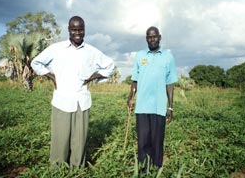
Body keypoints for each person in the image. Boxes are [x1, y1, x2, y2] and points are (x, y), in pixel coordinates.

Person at [31, 16, 115, 167]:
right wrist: (50, 75)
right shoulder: (56, 49)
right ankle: (58, 172)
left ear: (84, 30)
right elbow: (35, 62)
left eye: (80, 30)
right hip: (62, 100)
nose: (78, 33)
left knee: (79, 141)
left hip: (82, 102)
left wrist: (94, 77)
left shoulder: (91, 51)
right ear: (69, 30)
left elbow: (110, 65)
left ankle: (77, 171)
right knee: (60, 139)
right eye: (74, 29)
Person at [127, 26, 177, 168]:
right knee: (143, 140)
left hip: (159, 106)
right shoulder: (140, 56)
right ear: (146, 38)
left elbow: (170, 84)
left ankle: (156, 167)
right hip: (142, 106)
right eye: (149, 37)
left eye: (154, 36)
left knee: (157, 139)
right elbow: (135, 80)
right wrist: (130, 97)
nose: (152, 39)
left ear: (159, 37)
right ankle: (143, 168)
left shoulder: (168, 56)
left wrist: (170, 107)